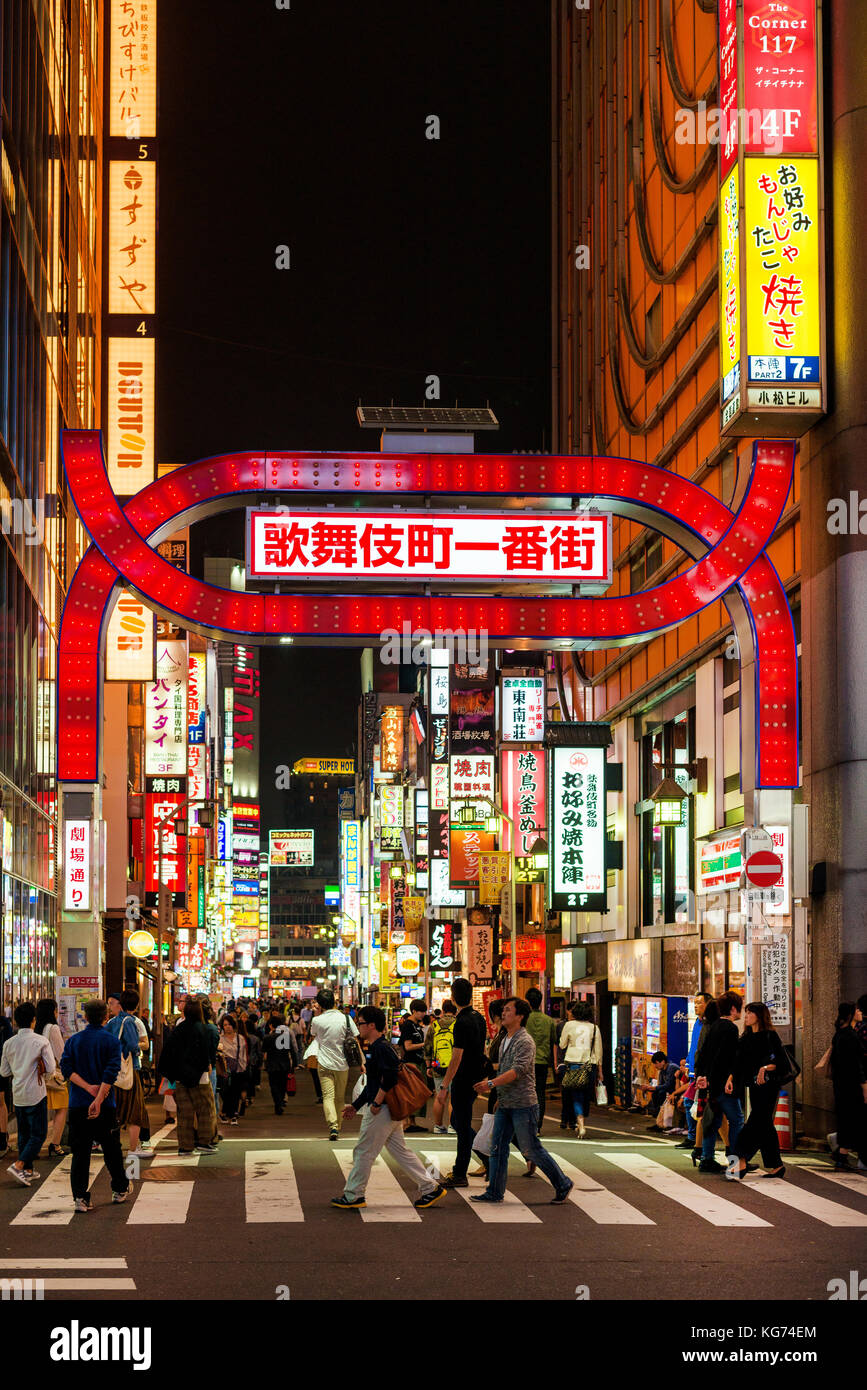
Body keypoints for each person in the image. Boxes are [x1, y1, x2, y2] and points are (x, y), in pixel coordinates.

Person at [331, 1005, 445, 1210]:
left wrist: (377, 1102)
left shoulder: (380, 1048)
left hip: (382, 1109)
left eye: (361, 1023)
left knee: (364, 1151)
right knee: (401, 1151)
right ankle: (430, 1188)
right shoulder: (377, 1047)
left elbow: (390, 1077)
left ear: (372, 1025)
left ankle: (354, 1195)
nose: (359, 1027)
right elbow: (373, 1081)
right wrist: (355, 1106)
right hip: (387, 1108)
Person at [471, 997, 574, 1205]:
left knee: (531, 1149)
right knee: (498, 1147)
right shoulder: (505, 1038)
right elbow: (503, 1069)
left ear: (520, 1016)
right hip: (506, 1103)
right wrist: (499, 1096)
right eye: (504, 1010)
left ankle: (562, 1183)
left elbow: (517, 1071)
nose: (504, 1013)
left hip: (523, 1105)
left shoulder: (524, 1041)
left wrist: (490, 1084)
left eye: (508, 1010)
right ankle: (495, 1191)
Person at [59, 998, 131, 1211]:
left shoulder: (74, 1040)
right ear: (106, 1017)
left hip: (78, 1103)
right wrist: (99, 1097)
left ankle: (80, 1198)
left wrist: (87, 1088)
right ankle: (119, 1189)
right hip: (105, 1104)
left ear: (86, 1017)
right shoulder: (110, 1041)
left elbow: (66, 1067)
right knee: (111, 1149)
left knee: (80, 1152)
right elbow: (111, 1072)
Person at [726, 1001, 792, 1180]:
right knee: (764, 1125)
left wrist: (765, 1068)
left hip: (769, 1087)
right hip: (754, 1087)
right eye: (745, 1013)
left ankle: (740, 1159)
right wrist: (731, 1079)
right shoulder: (746, 1037)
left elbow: (782, 1064)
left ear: (759, 1016)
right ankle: (777, 1165)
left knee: (755, 1122)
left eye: (749, 1013)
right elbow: (738, 1063)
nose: (746, 1016)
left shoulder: (770, 1036)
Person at [435, 978, 487, 1189]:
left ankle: (460, 1172)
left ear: (453, 997)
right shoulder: (479, 1018)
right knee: (458, 1121)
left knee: (461, 1124)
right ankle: (485, 1158)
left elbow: (456, 1058)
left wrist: (444, 1086)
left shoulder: (462, 1022)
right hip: (476, 1075)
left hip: (463, 1078)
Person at [0, 1002, 56, 1185]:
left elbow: (4, 1072)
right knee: (38, 1134)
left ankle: (28, 1170)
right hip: (36, 1093)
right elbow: (51, 1068)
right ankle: (19, 1164)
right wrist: (45, 1077)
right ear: (34, 1020)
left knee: (24, 1133)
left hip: (18, 1093)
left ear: (16, 1020)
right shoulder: (40, 1041)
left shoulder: (9, 1043)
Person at [158, 1000, 218, 1155]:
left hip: (180, 1078)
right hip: (199, 1078)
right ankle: (204, 1142)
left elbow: (168, 1052)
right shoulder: (202, 1029)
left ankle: (185, 1146)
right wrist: (206, 1066)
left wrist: (172, 1073)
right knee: (205, 1110)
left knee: (184, 1113)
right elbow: (205, 1054)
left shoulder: (179, 1030)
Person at [695, 990, 744, 1173]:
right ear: (733, 1009)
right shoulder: (730, 1029)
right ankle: (734, 1160)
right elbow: (727, 1058)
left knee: (713, 1121)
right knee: (736, 1120)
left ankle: (707, 1158)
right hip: (724, 1084)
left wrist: (703, 1077)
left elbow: (705, 1054)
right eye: (739, 1007)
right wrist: (729, 1078)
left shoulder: (713, 1026)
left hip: (711, 1084)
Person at [310, 988, 361, 1140]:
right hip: (342, 1064)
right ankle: (337, 1127)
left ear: (320, 1004)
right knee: (339, 1098)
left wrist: (317, 1015)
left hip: (324, 1063)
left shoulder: (317, 1020)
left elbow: (314, 1035)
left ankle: (332, 1125)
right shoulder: (346, 1018)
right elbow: (356, 1040)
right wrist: (362, 1062)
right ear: (334, 1002)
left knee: (327, 1096)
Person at [106, 991, 152, 1160]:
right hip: (129, 1071)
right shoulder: (130, 1021)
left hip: (113, 1072)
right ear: (137, 1005)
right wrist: (136, 1050)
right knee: (135, 1110)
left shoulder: (112, 1022)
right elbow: (134, 1044)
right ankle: (134, 1148)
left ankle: (111, 1146)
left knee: (114, 1110)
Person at [828, 1002, 867, 1173]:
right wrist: (864, 1086)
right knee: (854, 1120)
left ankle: (841, 1154)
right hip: (852, 1086)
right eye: (856, 1010)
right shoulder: (850, 1036)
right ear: (851, 1014)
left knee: (848, 1120)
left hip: (840, 1085)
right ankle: (842, 1155)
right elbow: (856, 1065)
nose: (859, 1012)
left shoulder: (839, 1035)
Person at [557, 1000, 603, 1138]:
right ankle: (581, 1120)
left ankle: (580, 1122)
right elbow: (598, 1052)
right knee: (585, 1095)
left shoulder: (569, 1025)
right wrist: (600, 1072)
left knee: (575, 1095)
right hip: (590, 1066)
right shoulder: (595, 1028)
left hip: (573, 1064)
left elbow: (562, 1044)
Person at [673, 993, 713, 1151]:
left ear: (708, 1004)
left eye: (699, 1003)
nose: (696, 1006)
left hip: (702, 1071)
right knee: (692, 1103)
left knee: (694, 1103)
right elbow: (694, 1046)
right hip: (695, 1070)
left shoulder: (709, 1023)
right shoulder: (698, 1022)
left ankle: (696, 1139)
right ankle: (695, 1138)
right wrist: (688, 1062)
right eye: (694, 1003)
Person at [35, 998, 69, 1158]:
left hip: (38, 1076)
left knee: (38, 1110)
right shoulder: (53, 1028)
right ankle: (55, 1144)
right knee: (61, 1109)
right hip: (53, 1076)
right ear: (52, 1012)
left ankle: (33, 1145)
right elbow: (61, 1054)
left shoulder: (36, 1027)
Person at [524, 986, 559, 1131]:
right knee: (540, 1093)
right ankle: (538, 1126)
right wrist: (554, 1062)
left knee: (526, 1092)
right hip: (543, 1061)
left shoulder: (524, 1019)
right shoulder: (549, 1021)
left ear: (528, 1002)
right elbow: (554, 1042)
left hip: (526, 1061)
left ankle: (527, 1124)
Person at [425, 1000, 456, 1134]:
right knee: (453, 1097)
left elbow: (428, 1047)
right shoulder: (458, 1023)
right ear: (455, 1010)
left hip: (437, 1064)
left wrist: (429, 1066)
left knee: (440, 1096)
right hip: (454, 1065)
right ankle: (452, 1126)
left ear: (443, 1010)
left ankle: (438, 1126)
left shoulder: (434, 1025)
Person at [398, 998, 429, 1133]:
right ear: (414, 1011)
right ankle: (406, 1123)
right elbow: (407, 1046)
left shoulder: (417, 1025)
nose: (423, 1014)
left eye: (424, 1012)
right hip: (411, 1063)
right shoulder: (408, 1025)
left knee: (418, 1093)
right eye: (421, 1012)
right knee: (412, 1093)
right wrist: (425, 1044)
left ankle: (412, 1122)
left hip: (419, 1062)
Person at [635, 1051, 680, 1129]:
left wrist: (654, 1088)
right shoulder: (662, 1071)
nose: (655, 1066)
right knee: (656, 1093)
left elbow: (668, 1085)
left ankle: (662, 1121)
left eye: (656, 1063)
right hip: (668, 1091)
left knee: (660, 1093)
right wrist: (649, 1088)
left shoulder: (672, 1067)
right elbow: (661, 1085)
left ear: (662, 1061)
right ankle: (659, 1120)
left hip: (676, 1091)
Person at [263, 1017, 298, 1114]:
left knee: (273, 1085)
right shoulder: (285, 1037)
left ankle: (277, 1103)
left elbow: (264, 1052)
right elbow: (292, 1051)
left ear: (271, 1025)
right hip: (284, 1064)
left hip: (272, 1065)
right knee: (282, 1085)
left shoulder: (267, 1038)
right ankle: (281, 1101)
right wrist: (294, 1064)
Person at [217, 1014, 247, 1123]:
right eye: (225, 1025)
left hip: (238, 1069)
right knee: (226, 1092)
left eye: (229, 1024)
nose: (227, 1027)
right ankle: (226, 1113)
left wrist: (242, 1068)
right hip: (224, 1070)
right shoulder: (220, 1039)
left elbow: (243, 1054)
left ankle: (233, 1114)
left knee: (235, 1092)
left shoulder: (240, 1038)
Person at [0, 1010, 12, 1156]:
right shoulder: (3, 1022)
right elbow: (7, 1045)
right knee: (1, 1102)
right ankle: (2, 1140)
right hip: (0, 1066)